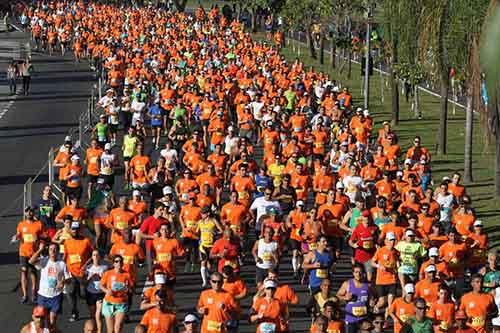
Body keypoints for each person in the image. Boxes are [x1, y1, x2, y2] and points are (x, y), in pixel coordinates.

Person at [29, 242, 70, 331]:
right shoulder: (44, 261)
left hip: (56, 296)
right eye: (50, 249)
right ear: (48, 251)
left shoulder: (62, 264)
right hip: (43, 296)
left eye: (55, 249)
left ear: (58, 251)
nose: (52, 251)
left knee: (52, 321)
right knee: (41, 322)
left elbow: (69, 279)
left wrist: (63, 281)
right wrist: (40, 250)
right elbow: (31, 261)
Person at [12, 206, 44, 304]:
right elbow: (18, 234)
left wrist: (38, 240)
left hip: (34, 254)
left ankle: (34, 293)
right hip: (23, 253)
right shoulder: (21, 224)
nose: (29, 213)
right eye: (27, 212)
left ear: (33, 213)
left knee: (33, 273)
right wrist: (16, 237)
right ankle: (25, 295)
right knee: (24, 272)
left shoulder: (38, 224)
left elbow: (44, 236)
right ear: (25, 213)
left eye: (31, 212)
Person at [63, 221, 94, 322]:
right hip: (70, 272)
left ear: (80, 230)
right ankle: (74, 312)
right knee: (70, 292)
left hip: (82, 273)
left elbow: (94, 255)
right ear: (70, 230)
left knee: (83, 294)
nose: (75, 231)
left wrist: (86, 265)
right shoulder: (67, 242)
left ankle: (92, 310)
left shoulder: (86, 241)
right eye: (73, 229)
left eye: (76, 229)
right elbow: (65, 256)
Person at [100, 255, 134, 333]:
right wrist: (106, 291)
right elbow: (101, 285)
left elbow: (132, 289)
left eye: (120, 261)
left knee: (118, 328)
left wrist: (127, 289)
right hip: (108, 303)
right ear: (113, 264)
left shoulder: (127, 275)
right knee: (110, 330)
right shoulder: (108, 273)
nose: (118, 263)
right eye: (116, 261)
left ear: (122, 263)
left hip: (121, 303)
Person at [84, 250, 108, 333]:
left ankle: (99, 331)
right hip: (90, 293)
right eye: (94, 255)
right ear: (92, 257)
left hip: (100, 293)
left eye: (97, 255)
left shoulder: (104, 267)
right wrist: (89, 277)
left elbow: (107, 282)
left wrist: (101, 277)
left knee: (98, 315)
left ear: (100, 257)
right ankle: (93, 330)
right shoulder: (88, 268)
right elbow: (84, 283)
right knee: (92, 315)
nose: (96, 257)